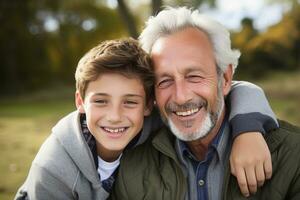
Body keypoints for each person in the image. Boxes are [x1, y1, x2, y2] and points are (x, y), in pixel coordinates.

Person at [15, 37, 276, 199]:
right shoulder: (54, 167)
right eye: (101, 101)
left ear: (149, 105)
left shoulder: (154, 120)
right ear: (80, 102)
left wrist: (248, 131)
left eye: (129, 102)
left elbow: (237, 89)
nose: (115, 117)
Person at [111, 7, 300, 200]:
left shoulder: (293, 157)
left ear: (225, 79)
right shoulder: (131, 169)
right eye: (165, 81)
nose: (181, 97)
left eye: (194, 76)